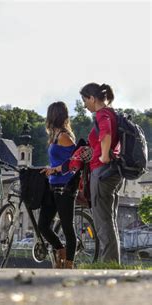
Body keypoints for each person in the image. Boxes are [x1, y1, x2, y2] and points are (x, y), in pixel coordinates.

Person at [80, 82, 122, 264]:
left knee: (103, 220)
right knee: (109, 219)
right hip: (112, 172)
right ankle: (113, 262)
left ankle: (108, 263)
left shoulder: (102, 113)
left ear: (92, 98)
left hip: (102, 171)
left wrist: (104, 155)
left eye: (84, 100)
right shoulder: (112, 113)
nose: (84, 105)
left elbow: (105, 132)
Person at [39, 101, 78, 269]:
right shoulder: (54, 135)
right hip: (52, 184)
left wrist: (54, 169)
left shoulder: (64, 136)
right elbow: (58, 159)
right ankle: (60, 250)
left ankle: (68, 264)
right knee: (43, 225)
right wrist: (50, 169)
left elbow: (75, 163)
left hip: (65, 186)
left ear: (53, 116)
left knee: (68, 226)